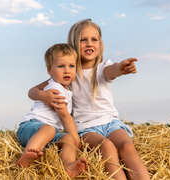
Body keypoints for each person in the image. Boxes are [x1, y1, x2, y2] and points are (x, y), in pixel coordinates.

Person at [28, 19, 150, 180]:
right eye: (83, 40)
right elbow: (32, 91)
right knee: (107, 148)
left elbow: (111, 71)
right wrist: (44, 96)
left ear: (100, 43)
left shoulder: (103, 68)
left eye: (94, 39)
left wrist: (121, 68)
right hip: (85, 128)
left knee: (126, 146)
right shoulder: (68, 72)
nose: (89, 44)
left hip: (110, 123)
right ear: (74, 43)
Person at [16, 43, 87, 178]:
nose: (67, 70)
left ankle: (69, 166)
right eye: (61, 66)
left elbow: (32, 91)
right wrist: (77, 141)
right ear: (50, 70)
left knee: (67, 139)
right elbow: (65, 117)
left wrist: (72, 139)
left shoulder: (63, 87)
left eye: (71, 66)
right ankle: (27, 155)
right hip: (30, 127)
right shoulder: (55, 88)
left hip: (49, 134)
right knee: (52, 130)